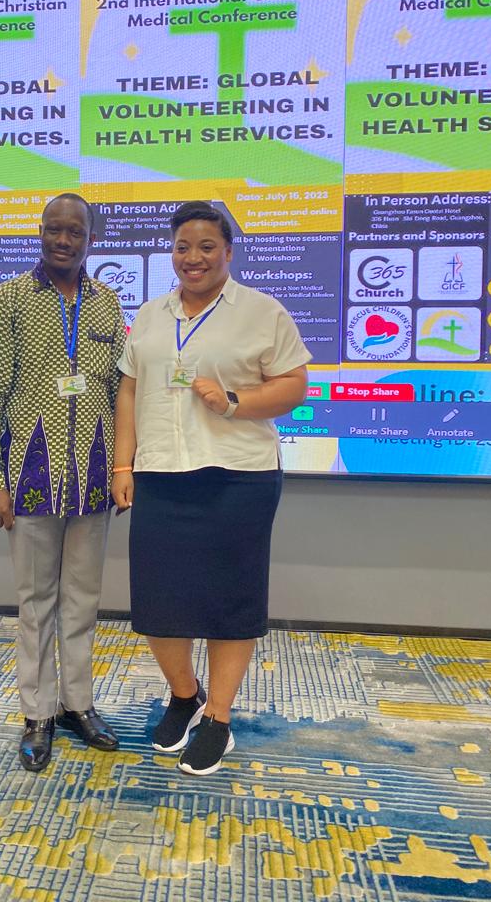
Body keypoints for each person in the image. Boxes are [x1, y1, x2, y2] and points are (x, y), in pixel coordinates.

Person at [111, 200, 310, 776]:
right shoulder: (151, 314)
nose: (192, 257)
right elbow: (129, 390)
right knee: (159, 602)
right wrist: (122, 466)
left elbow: (294, 385)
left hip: (238, 475)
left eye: (206, 246)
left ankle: (218, 718)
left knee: (229, 602)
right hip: (160, 473)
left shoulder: (262, 311)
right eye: (182, 247)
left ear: (228, 251)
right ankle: (184, 694)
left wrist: (233, 402)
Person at [0, 192, 125, 773]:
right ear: (40, 232)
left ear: (90, 239)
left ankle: (78, 705)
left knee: (83, 600)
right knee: (35, 604)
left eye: (74, 231)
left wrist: (123, 468)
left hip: (93, 479)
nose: (63, 240)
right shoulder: (9, 299)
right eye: (54, 229)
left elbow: (118, 394)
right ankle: (37, 714)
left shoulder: (107, 304)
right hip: (29, 479)